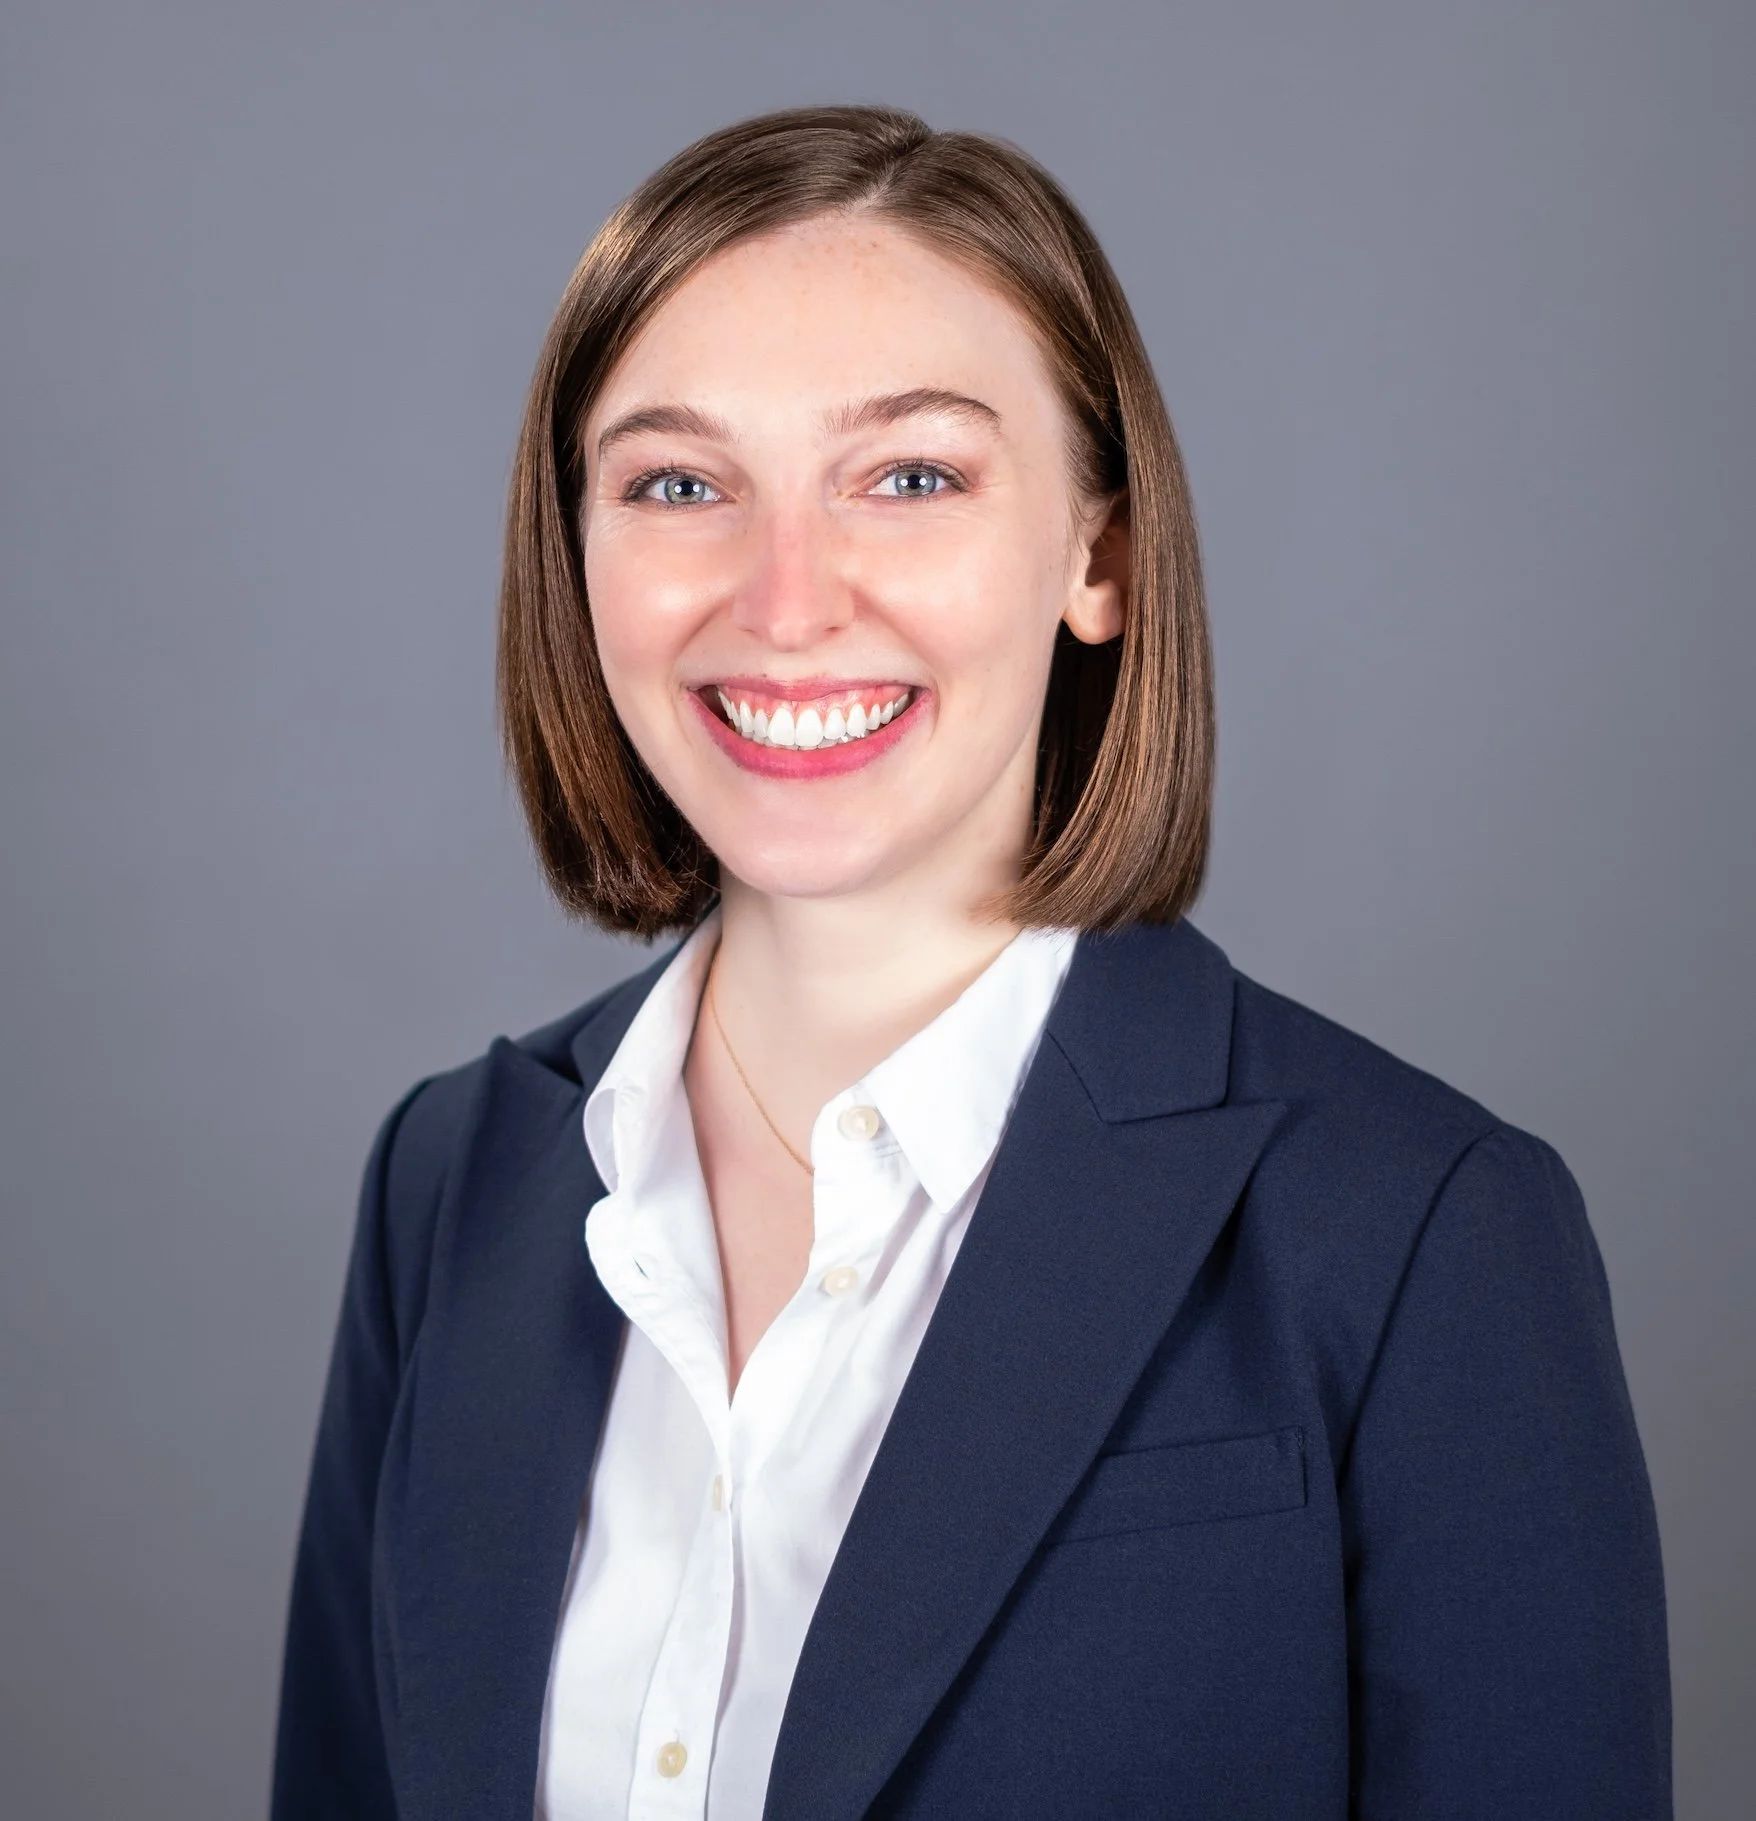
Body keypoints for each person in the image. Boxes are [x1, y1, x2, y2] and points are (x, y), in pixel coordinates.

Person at [271, 106, 1670, 1820]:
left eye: (912, 477)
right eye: (679, 485)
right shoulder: (450, 1185)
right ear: (576, 555)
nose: (786, 602)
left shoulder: (1419, 1233)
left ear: (1099, 555)